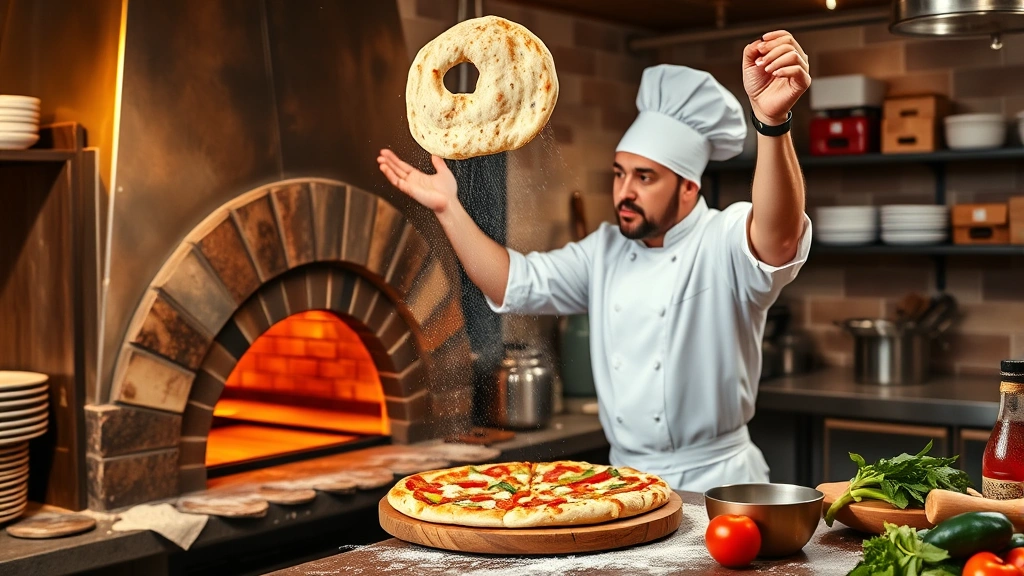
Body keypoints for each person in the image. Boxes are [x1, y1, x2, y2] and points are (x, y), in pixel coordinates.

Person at [378, 30, 812, 492]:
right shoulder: (605, 250)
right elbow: (507, 283)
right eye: (620, 174)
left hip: (720, 485)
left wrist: (772, 122)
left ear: (689, 187)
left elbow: (780, 237)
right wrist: (449, 207)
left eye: (645, 178)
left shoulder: (723, 239)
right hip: (627, 482)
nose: (624, 192)